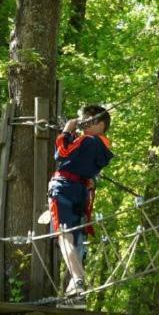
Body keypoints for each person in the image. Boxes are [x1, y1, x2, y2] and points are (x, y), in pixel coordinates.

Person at [48, 104, 113, 306]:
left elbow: (62, 153)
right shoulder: (104, 146)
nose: (84, 126)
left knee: (64, 235)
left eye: (88, 122)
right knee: (75, 238)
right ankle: (74, 294)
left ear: (100, 124)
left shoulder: (87, 140)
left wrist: (67, 130)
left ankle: (77, 282)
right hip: (81, 191)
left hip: (64, 187)